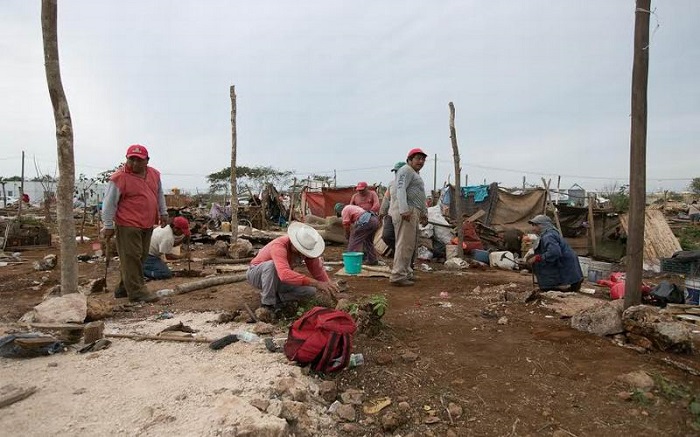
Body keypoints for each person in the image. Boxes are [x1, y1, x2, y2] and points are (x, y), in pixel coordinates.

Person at [102, 144, 168, 302]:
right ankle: (138, 292)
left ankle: (123, 288)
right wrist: (108, 225)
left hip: (147, 223)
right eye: (131, 159)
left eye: (139, 160)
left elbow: (159, 194)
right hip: (127, 223)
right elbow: (109, 204)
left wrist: (163, 212)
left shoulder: (154, 174)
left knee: (141, 257)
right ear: (126, 159)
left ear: (147, 161)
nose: (135, 164)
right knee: (131, 256)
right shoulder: (119, 178)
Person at [247, 221, 340, 311]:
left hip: (278, 278)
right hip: (256, 274)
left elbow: (318, 272)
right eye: (299, 250)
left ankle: (278, 299)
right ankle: (267, 305)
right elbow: (284, 275)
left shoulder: (307, 251)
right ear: (293, 242)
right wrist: (317, 283)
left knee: (310, 291)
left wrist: (329, 286)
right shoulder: (279, 246)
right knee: (272, 265)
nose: (301, 255)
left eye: (304, 252)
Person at [390, 148, 428, 286]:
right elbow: (400, 190)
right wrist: (404, 210)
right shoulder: (405, 170)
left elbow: (420, 195)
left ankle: (406, 272)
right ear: (410, 159)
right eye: (418, 158)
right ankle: (398, 275)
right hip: (407, 212)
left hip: (413, 211)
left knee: (409, 245)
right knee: (404, 244)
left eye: (423, 159)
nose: (421, 161)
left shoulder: (414, 173)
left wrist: (424, 213)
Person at [526, 214, 583, 292]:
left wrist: (537, 257)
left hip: (564, 262)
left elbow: (554, 252)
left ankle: (552, 286)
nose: (533, 228)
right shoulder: (550, 233)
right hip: (567, 261)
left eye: (535, 225)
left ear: (543, 225)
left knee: (549, 286)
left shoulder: (548, 236)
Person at [379, 161, 406, 256]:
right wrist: (382, 212)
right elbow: (386, 199)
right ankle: (397, 252)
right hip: (391, 215)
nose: (397, 174)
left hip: (405, 217)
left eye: (399, 171)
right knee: (386, 236)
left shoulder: (412, 184)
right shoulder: (391, 184)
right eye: (395, 172)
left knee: (404, 239)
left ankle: (403, 259)